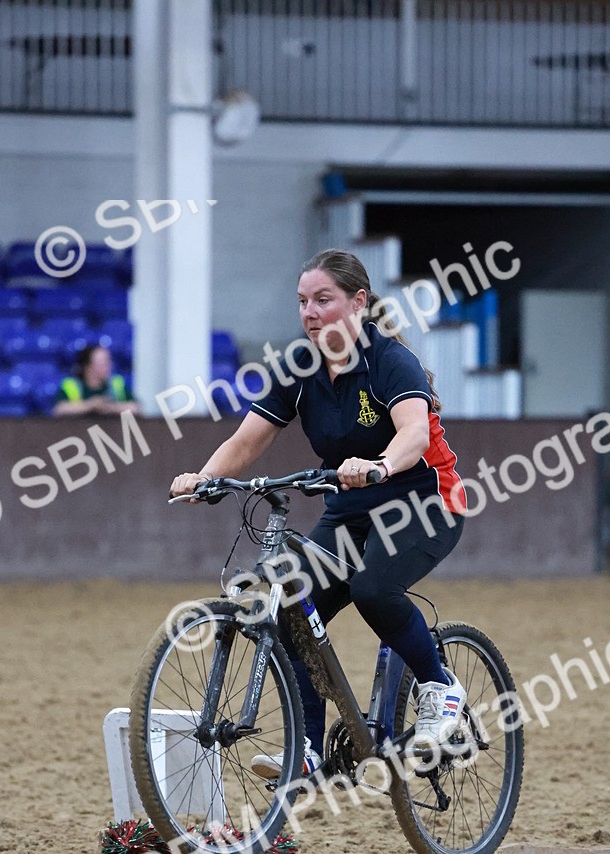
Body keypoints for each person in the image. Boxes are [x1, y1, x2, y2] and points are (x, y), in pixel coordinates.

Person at [170, 248, 468, 776]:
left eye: (322, 300)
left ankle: (440, 688)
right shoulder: (298, 369)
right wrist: (205, 476)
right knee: (292, 610)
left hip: (424, 499)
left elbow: (415, 434)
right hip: (353, 505)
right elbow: (248, 440)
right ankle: (306, 752)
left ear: (358, 303)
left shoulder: (389, 361)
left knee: (373, 588)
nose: (309, 312)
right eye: (303, 301)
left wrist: (378, 465)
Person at [53, 344, 140, 417]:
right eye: (104, 363)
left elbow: (136, 408)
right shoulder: (71, 385)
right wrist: (90, 405)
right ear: (87, 366)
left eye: (109, 362)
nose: (109, 366)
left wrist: (110, 407)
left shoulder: (116, 384)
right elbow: (59, 409)